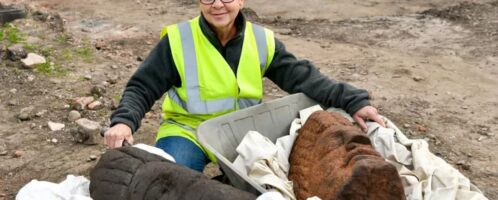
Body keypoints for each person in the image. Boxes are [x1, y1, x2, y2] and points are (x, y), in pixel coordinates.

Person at [104, 0, 386, 172]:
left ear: (241, 0)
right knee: (169, 183)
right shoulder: (178, 40)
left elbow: (303, 77)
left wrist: (353, 100)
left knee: (269, 187)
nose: (217, 4)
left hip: (242, 134)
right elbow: (142, 87)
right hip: (187, 132)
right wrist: (124, 122)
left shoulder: (262, 40)